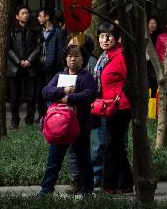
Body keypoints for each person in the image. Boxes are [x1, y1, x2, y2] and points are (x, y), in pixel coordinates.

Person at [39, 45, 97, 196]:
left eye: (77, 55)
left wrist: (69, 98)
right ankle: (46, 191)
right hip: (59, 126)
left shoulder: (86, 77)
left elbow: (89, 95)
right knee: (54, 160)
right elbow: (45, 91)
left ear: (83, 59)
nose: (72, 58)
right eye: (69, 56)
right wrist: (63, 91)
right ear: (65, 59)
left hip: (80, 126)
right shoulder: (59, 76)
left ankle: (87, 192)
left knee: (83, 160)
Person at [95, 21, 134, 194]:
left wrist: (119, 98)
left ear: (117, 38)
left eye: (109, 36)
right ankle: (125, 184)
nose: (105, 39)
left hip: (120, 108)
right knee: (116, 146)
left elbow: (131, 82)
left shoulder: (121, 56)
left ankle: (109, 186)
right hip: (108, 107)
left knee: (111, 146)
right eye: (102, 36)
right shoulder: (105, 56)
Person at [8, 5, 40, 128]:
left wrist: (29, 60)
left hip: (30, 67)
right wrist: (19, 61)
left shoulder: (34, 30)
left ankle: (29, 121)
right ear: (17, 16)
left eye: (27, 13)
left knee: (31, 96)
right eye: (23, 13)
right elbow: (8, 49)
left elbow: (38, 46)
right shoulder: (11, 30)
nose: (26, 15)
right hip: (14, 68)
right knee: (14, 96)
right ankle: (14, 121)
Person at [37, 7, 66, 119]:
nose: (39, 18)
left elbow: (60, 50)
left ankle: (50, 112)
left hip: (53, 67)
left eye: (41, 16)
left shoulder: (57, 32)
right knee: (39, 90)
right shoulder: (39, 31)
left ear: (47, 17)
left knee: (51, 90)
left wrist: (57, 65)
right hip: (40, 66)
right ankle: (41, 114)